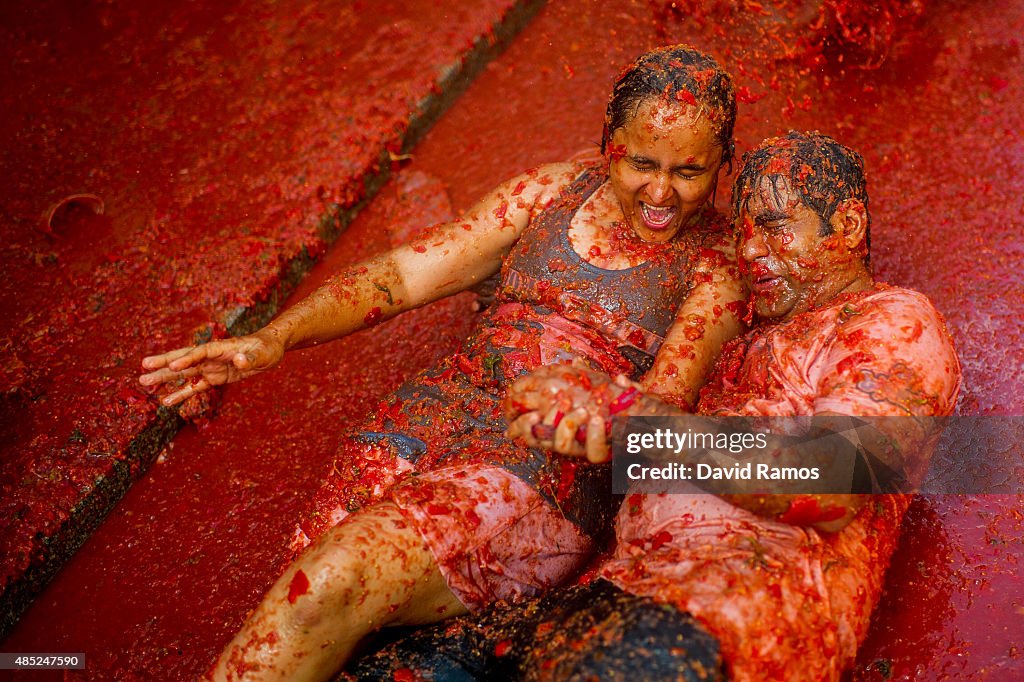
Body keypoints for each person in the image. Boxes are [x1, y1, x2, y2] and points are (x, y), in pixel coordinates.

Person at [139, 45, 746, 680]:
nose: (660, 191)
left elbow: (661, 415)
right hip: (428, 421)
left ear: (722, 165)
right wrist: (278, 337)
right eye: (641, 163)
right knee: (319, 620)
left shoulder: (714, 271)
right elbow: (404, 276)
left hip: (537, 477)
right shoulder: (550, 192)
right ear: (607, 145)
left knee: (325, 585)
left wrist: (588, 409)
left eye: (689, 172)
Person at [350, 131, 962, 681]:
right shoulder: (739, 338)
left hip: (729, 609)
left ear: (849, 226)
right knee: (396, 667)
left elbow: (833, 481)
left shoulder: (893, 321)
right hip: (616, 589)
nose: (750, 253)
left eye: (776, 226)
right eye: (745, 234)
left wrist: (636, 423)